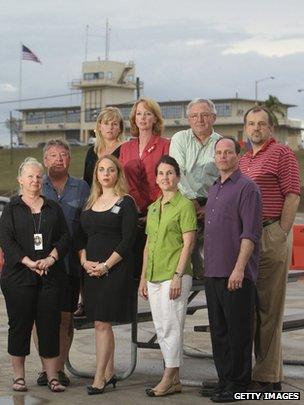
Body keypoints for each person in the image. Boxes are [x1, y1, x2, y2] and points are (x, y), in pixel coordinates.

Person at [240, 106, 301, 392]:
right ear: (245, 128)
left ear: (271, 128)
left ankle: (268, 378)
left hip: (270, 232)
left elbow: (292, 193)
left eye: (261, 124)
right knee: (250, 309)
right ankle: (254, 371)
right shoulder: (243, 160)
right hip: (246, 240)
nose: (256, 129)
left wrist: (280, 231)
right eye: (251, 124)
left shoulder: (282, 153)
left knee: (269, 308)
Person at [0, 157, 70, 393]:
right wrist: (28, 262)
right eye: (30, 176)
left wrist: (51, 257)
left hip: (49, 275)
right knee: (19, 326)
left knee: (49, 326)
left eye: (38, 176)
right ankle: (19, 377)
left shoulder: (53, 208)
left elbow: (65, 238)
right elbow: (6, 241)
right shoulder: (11, 209)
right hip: (19, 277)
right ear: (20, 180)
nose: (34, 180)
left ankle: (52, 377)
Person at [202, 138, 262, 402]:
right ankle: (225, 380)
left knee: (238, 332)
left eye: (228, 152)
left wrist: (239, 269)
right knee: (219, 331)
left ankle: (238, 384)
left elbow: (249, 234)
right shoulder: (214, 189)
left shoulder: (247, 188)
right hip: (213, 271)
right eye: (219, 153)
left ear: (238, 156)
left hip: (235, 273)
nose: (223, 156)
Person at [77, 155, 137, 395]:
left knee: (102, 323)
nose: (105, 173)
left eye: (110, 169)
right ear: (96, 175)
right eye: (101, 169)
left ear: (117, 174)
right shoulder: (90, 202)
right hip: (90, 271)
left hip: (115, 270)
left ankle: (99, 377)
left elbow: (128, 240)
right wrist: (84, 262)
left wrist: (105, 266)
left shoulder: (126, 202)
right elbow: (80, 238)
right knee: (100, 324)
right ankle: (110, 371)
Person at [32, 139, 90, 387]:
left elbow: (87, 224)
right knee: (41, 317)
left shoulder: (81, 187)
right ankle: (46, 369)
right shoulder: (36, 184)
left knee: (65, 319)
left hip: (70, 264)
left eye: (64, 155)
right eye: (53, 155)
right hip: (40, 264)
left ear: (70, 159)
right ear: (45, 160)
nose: (59, 159)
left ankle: (60, 368)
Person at [139, 155, 197, 397]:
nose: (165, 177)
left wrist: (177, 275)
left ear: (178, 176)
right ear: (156, 179)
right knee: (162, 327)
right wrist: (143, 277)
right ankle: (174, 379)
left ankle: (167, 378)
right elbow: (148, 244)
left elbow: (189, 243)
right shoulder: (153, 208)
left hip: (174, 275)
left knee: (172, 326)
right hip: (153, 275)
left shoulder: (184, 206)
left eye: (170, 173)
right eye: (161, 173)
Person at [169, 98, 221, 278]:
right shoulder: (179, 138)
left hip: (212, 205)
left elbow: (225, 180)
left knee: (211, 259)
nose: (199, 120)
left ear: (214, 117)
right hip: (184, 201)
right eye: (194, 116)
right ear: (188, 119)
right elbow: (178, 171)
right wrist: (192, 201)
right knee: (181, 257)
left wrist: (210, 206)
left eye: (205, 115)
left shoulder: (221, 144)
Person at [120, 98, 170, 279]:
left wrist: (155, 210)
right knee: (131, 270)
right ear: (134, 119)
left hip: (158, 211)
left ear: (155, 119)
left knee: (155, 270)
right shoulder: (126, 147)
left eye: (148, 114)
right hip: (131, 213)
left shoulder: (166, 145)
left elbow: (168, 180)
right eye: (139, 114)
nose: (142, 118)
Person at [83, 106, 124, 187]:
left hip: (117, 196)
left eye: (114, 124)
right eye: (106, 123)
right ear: (99, 127)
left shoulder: (125, 149)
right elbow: (86, 181)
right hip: (94, 197)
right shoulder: (92, 151)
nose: (110, 127)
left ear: (120, 128)